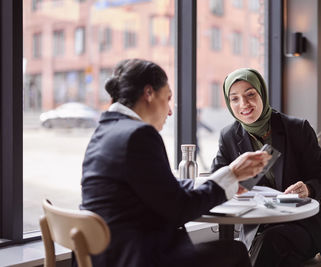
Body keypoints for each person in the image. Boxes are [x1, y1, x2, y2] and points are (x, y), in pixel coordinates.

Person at [78, 59, 271, 267]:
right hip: (137, 257)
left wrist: (219, 180)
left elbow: (156, 190)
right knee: (235, 250)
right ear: (149, 93)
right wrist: (232, 174)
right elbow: (180, 210)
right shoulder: (139, 135)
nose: (170, 111)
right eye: (168, 98)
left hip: (108, 255)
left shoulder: (105, 130)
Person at [211, 68, 321, 267]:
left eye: (250, 95)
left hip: (303, 225)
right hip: (258, 228)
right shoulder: (229, 136)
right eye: (234, 99)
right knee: (274, 252)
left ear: (262, 93)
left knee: (271, 242)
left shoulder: (297, 129)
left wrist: (308, 188)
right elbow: (217, 181)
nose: (243, 104)